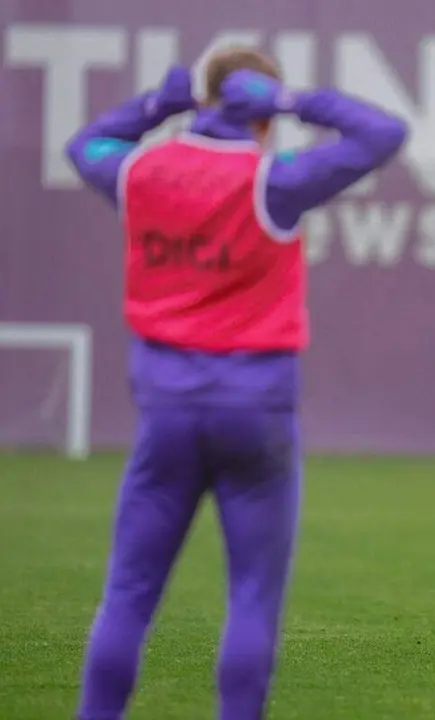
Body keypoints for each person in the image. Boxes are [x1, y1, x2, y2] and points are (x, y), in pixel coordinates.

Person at [65, 48, 407, 719]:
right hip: (257, 410)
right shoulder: (271, 180)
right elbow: (383, 134)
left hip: (165, 408)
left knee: (129, 594)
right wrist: (294, 100)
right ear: (257, 110)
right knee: (252, 595)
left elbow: (84, 145)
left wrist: (155, 108)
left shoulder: (140, 171)